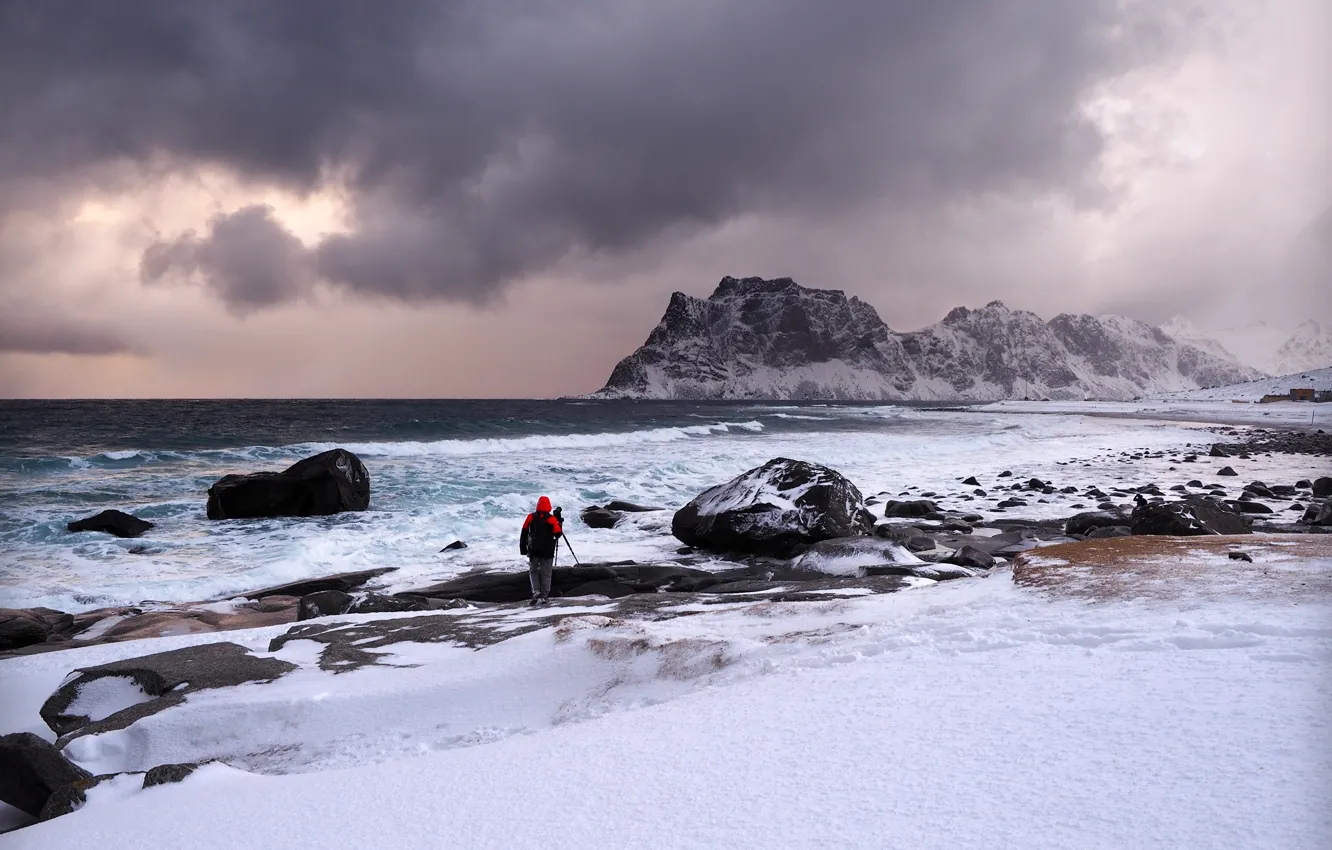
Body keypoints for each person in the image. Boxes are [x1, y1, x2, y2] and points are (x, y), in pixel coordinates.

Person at [519, 496, 563, 605]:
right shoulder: (551, 519)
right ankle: (544, 596)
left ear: (538, 504)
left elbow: (524, 533)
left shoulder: (530, 517)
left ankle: (536, 591)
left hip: (534, 550)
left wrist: (523, 548)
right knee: (546, 574)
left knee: (533, 571)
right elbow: (558, 534)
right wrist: (559, 523)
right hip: (548, 551)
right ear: (548, 505)